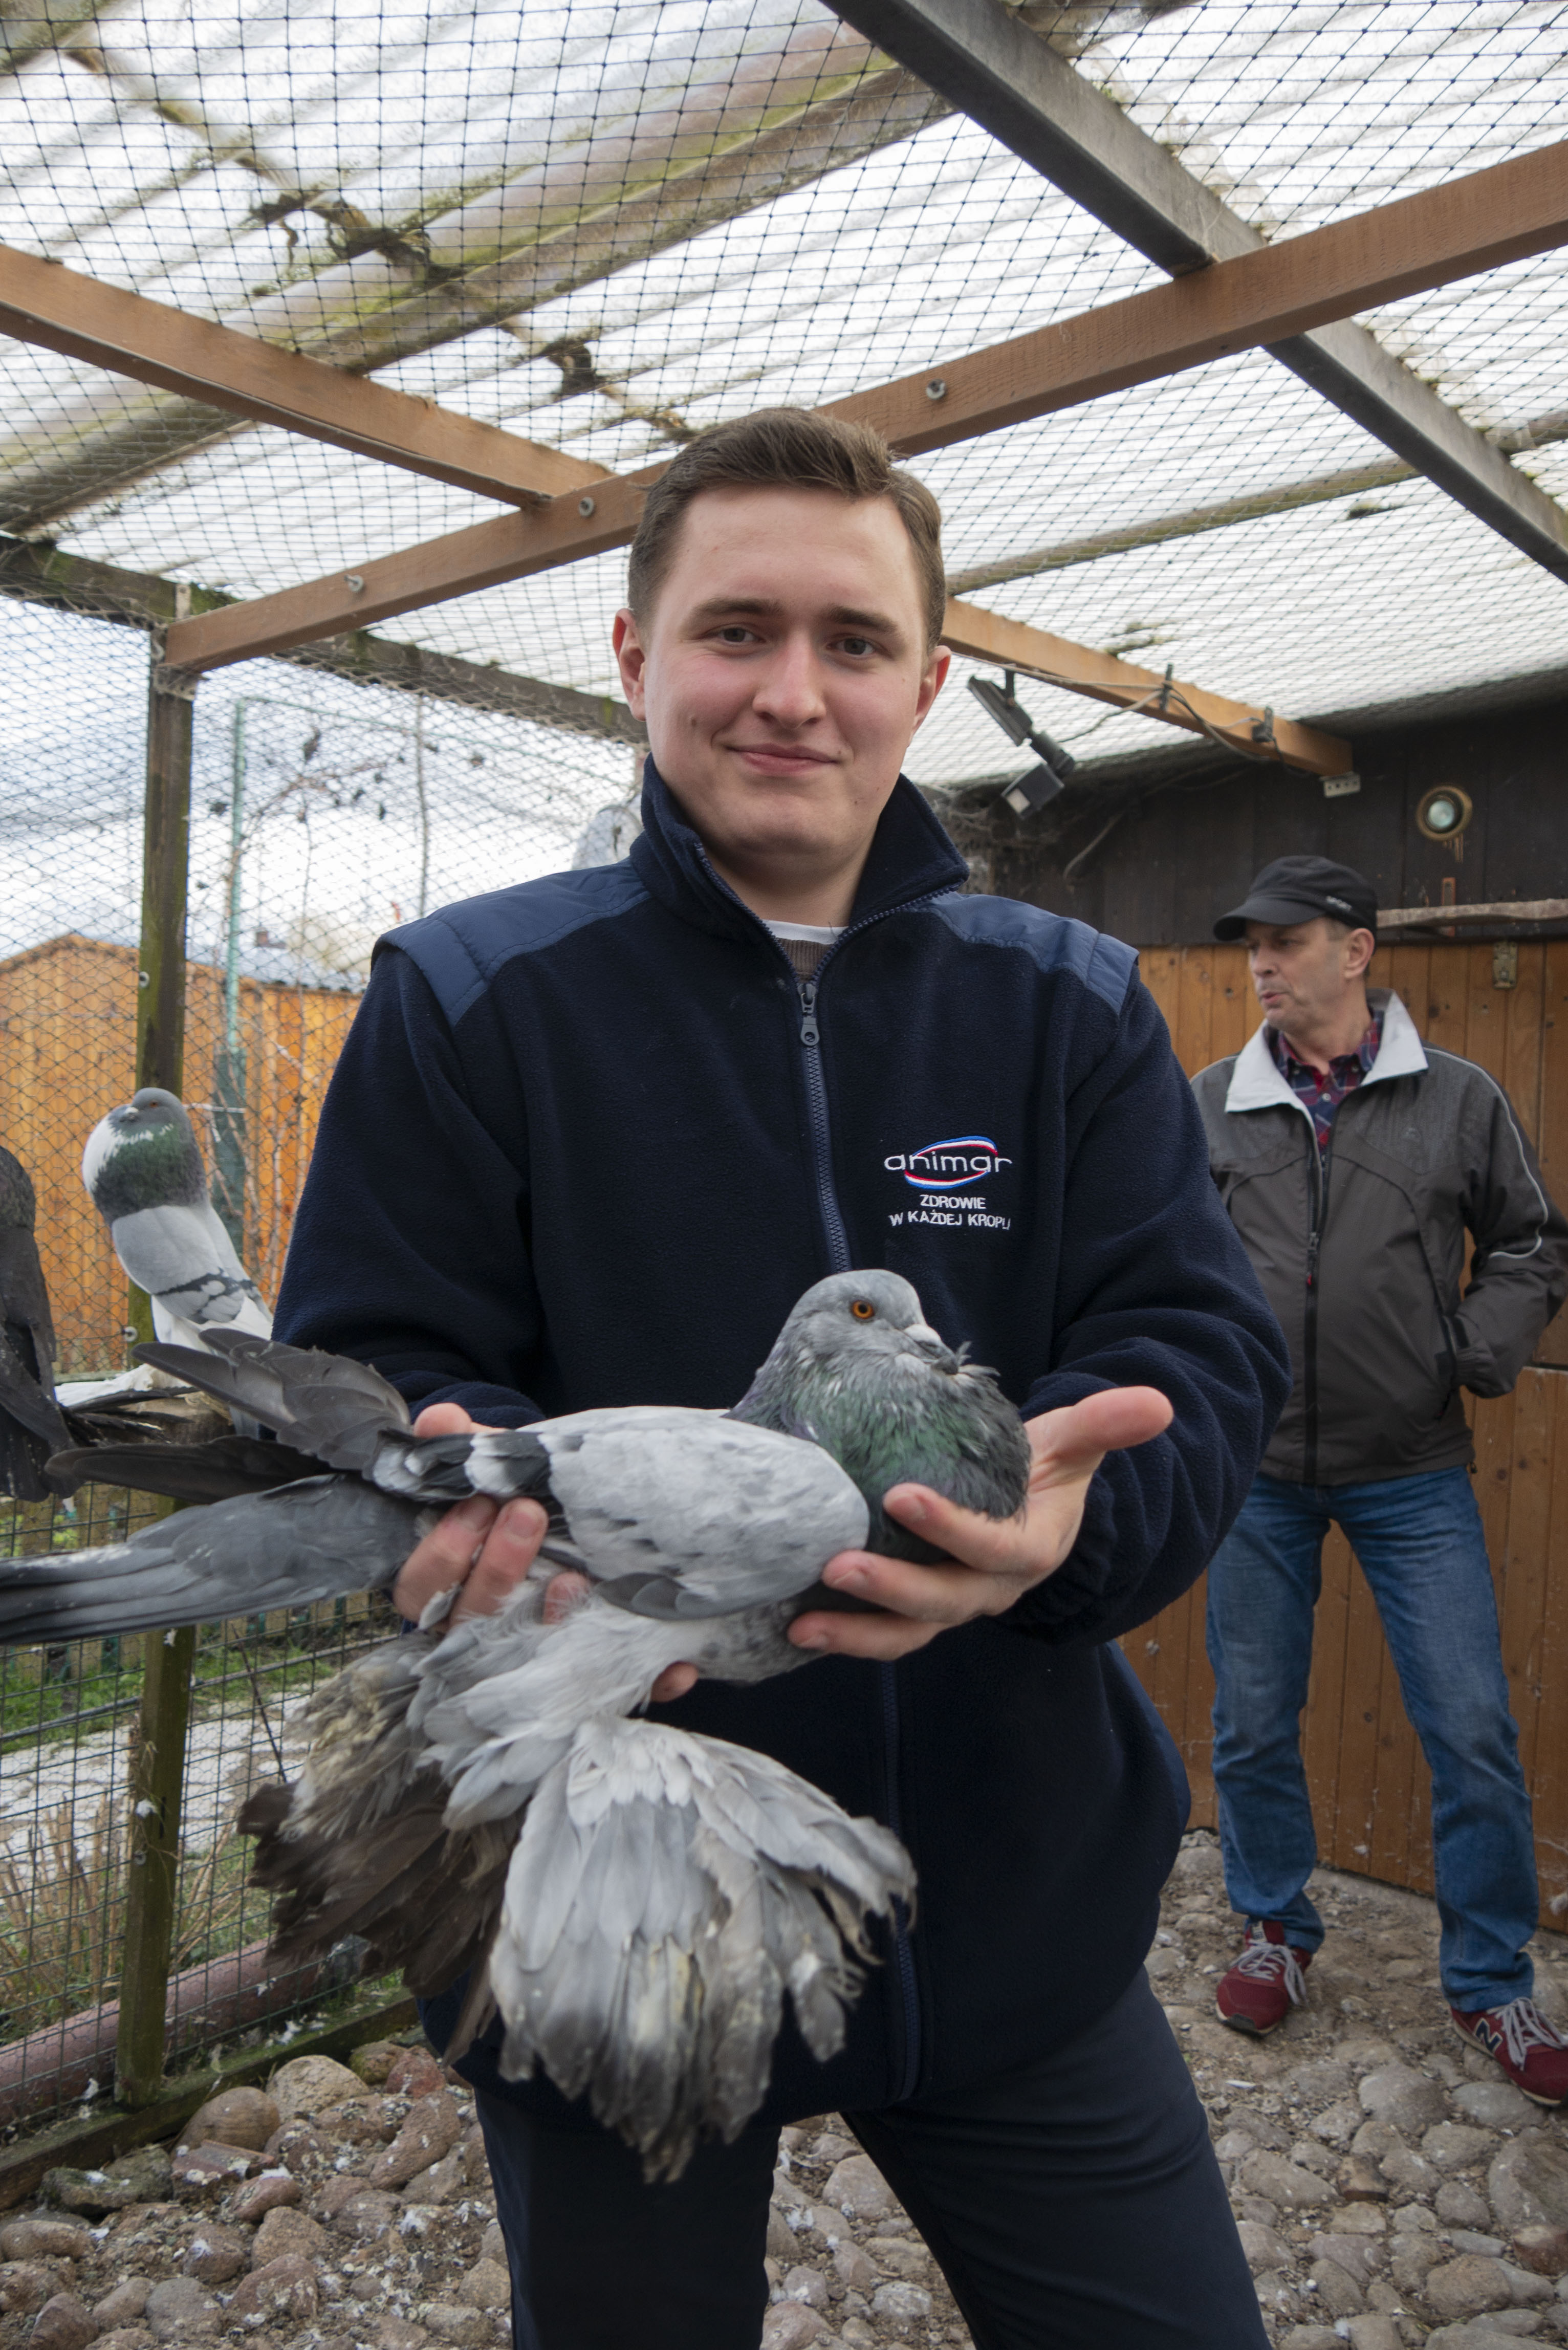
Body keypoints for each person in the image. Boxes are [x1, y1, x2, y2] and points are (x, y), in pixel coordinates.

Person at [274, 408, 1289, 2349]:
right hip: (609, 1900)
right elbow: (375, 1355)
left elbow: (1199, 1346)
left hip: (1017, 1886)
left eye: (853, 641)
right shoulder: (473, 998)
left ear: (929, 680)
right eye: (736, 630)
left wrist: (1065, 1529)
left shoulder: (1065, 1001)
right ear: (634, 656)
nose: (793, 693)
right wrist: (480, 1505)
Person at [1194, 855, 1568, 2099]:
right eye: (1251, 944)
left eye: (1284, 940)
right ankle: (1272, 1927)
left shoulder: (1454, 1098)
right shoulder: (1209, 1101)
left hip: (1410, 1470)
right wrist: (1202, 1383)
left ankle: (1490, 1982)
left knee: (1468, 1726)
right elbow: (1165, 1258)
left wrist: (1469, 1350)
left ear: (1354, 950)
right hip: (1256, 1470)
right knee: (1252, 1718)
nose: (1260, 962)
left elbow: (1529, 1241)